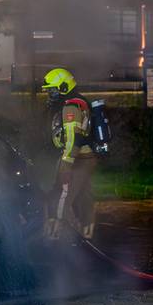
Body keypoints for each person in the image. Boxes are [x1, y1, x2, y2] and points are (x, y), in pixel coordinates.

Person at [40, 67, 97, 240]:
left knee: (61, 195)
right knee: (83, 194)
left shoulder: (71, 107)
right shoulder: (78, 101)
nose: (50, 94)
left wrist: (66, 162)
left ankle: (55, 235)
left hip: (76, 158)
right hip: (85, 157)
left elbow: (73, 138)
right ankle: (87, 232)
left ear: (64, 87)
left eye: (52, 90)